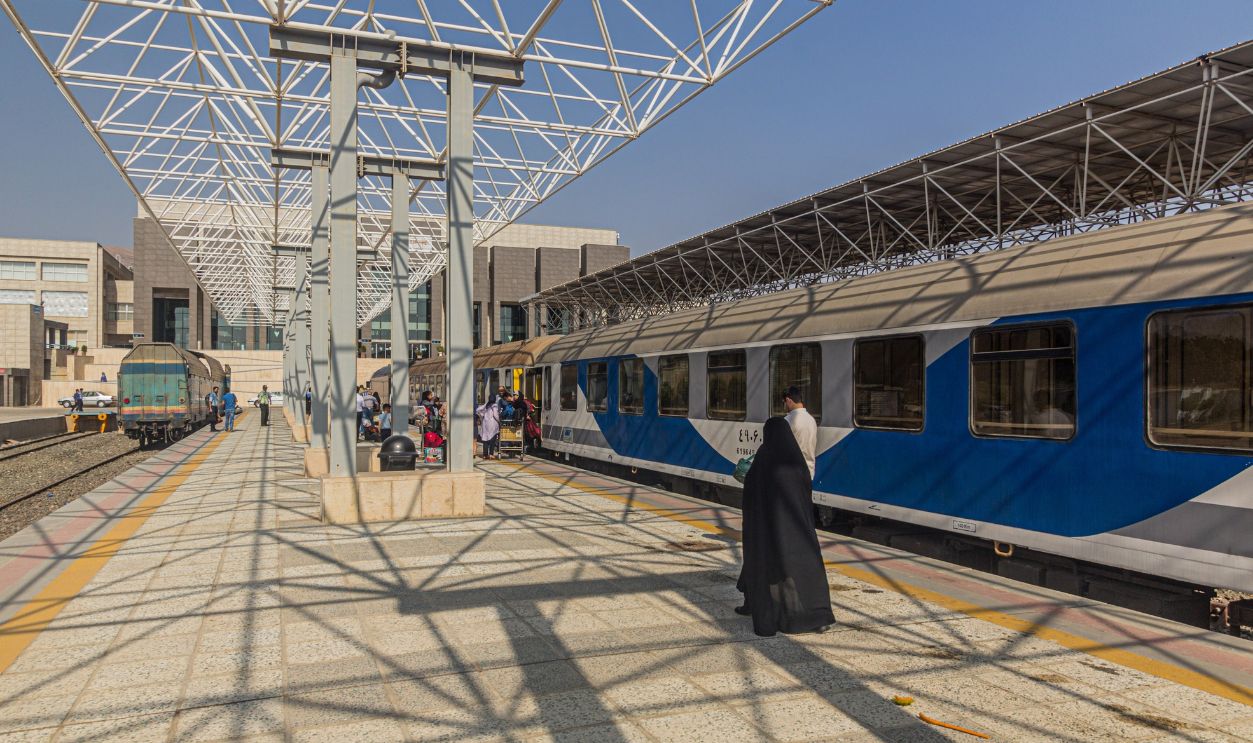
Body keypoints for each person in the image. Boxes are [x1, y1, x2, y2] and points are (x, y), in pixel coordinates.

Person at [735, 417, 835, 637]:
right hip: (799, 534)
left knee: (761, 565)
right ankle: (818, 617)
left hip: (768, 533)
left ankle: (759, 607)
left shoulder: (763, 463)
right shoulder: (797, 464)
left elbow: (751, 498)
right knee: (807, 571)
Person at [783, 386, 818, 480]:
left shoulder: (787, 421)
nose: (785, 406)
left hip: (792, 474)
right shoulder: (811, 420)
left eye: (784, 403)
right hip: (809, 473)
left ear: (788, 400)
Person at [476, 394, 501, 459]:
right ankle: (491, 454)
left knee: (485, 440)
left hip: (485, 424)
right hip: (493, 425)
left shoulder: (486, 405)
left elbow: (478, 410)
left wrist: (482, 416)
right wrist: (499, 421)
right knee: (492, 440)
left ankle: (485, 455)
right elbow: (496, 415)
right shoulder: (494, 406)